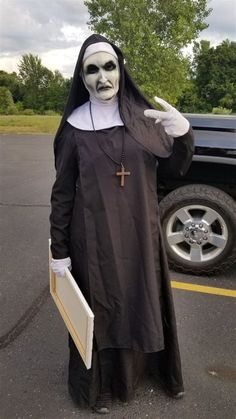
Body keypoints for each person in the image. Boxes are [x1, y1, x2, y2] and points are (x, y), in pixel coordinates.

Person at [50, 33, 194, 414]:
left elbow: (174, 168)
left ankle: (156, 373)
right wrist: (58, 252)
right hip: (92, 241)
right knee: (103, 309)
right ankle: (102, 388)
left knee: (141, 301)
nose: (102, 77)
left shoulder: (142, 119)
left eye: (109, 67)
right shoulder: (75, 129)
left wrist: (182, 135)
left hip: (139, 235)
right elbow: (63, 192)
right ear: (82, 79)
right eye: (91, 70)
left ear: (121, 70)